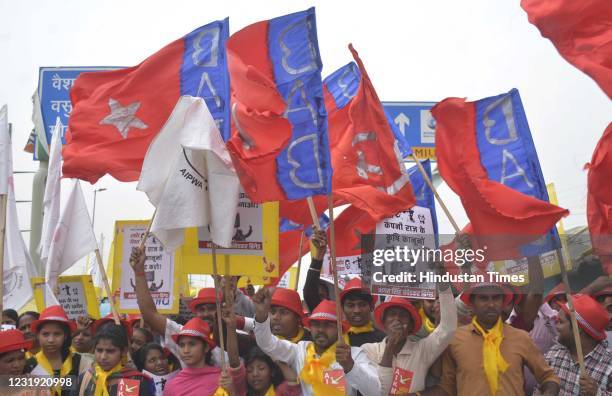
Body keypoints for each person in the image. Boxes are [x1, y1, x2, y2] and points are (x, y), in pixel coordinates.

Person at [423, 283, 560, 396]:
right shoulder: (455, 339)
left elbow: (548, 377)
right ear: (472, 303)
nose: (491, 304)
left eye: (496, 298)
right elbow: (448, 388)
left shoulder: (521, 338)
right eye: (483, 298)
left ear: (503, 302)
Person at [130, 246, 252, 367]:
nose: (205, 314)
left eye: (211, 308)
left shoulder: (237, 336)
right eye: (201, 310)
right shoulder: (184, 335)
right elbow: (149, 314)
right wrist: (139, 272)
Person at [252, 288, 380, 395]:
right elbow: (267, 344)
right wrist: (261, 317)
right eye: (315, 324)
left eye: (328, 325)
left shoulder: (355, 354)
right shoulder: (300, 350)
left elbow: (375, 391)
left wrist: (350, 366)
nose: (320, 330)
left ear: (340, 329)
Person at [361, 267, 457, 394]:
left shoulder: (422, 349)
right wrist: (390, 347)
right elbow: (381, 392)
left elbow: (448, 327)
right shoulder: (368, 350)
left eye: (403, 315)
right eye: (392, 314)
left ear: (411, 326)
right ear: (383, 322)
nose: (397, 320)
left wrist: (442, 278)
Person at [534, 294, 611, 396]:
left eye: (560, 322)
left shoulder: (609, 365)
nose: (556, 327)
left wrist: (598, 393)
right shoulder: (553, 354)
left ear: (577, 329)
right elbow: (538, 390)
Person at [163, 312, 246, 395]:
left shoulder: (223, 379)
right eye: (182, 345)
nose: (186, 350)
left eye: (192, 344)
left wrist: (231, 391)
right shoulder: (171, 386)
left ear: (206, 348)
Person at [24, 305, 93, 395]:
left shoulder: (82, 363)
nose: (51, 340)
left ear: (65, 336)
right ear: (37, 335)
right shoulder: (29, 366)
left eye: (57, 334)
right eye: (45, 334)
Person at [77, 323, 155, 395]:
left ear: (124, 351)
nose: (103, 357)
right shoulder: (85, 378)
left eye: (110, 351)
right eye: (99, 350)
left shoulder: (132, 380)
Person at [340, 278, 386, 346]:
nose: (357, 311)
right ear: (342, 308)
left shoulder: (383, 341)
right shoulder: (336, 339)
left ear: (372, 307)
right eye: (350, 305)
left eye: (362, 305)